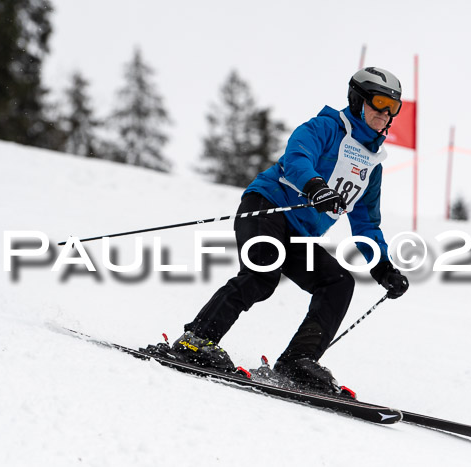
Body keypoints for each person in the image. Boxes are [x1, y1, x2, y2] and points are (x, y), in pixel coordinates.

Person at [168, 67, 410, 394]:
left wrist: (383, 268)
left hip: (300, 234)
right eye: (380, 102)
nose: (386, 113)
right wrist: (315, 187)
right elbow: (298, 157)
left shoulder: (372, 165)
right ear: (358, 101)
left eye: (393, 107)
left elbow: (366, 222)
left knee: (338, 282)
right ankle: (196, 340)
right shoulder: (325, 128)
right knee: (263, 272)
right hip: (267, 206)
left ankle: (298, 362)